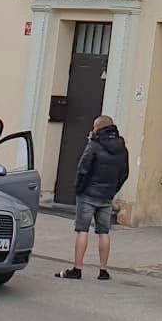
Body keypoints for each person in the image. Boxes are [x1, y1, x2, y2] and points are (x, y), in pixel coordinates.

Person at [59, 115, 129, 280]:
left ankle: (77, 269)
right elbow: (124, 173)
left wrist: (79, 188)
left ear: (98, 128)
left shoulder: (94, 145)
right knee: (104, 232)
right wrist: (112, 190)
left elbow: (83, 169)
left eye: (94, 127)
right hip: (107, 196)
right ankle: (103, 270)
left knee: (82, 230)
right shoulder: (122, 148)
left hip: (88, 195)